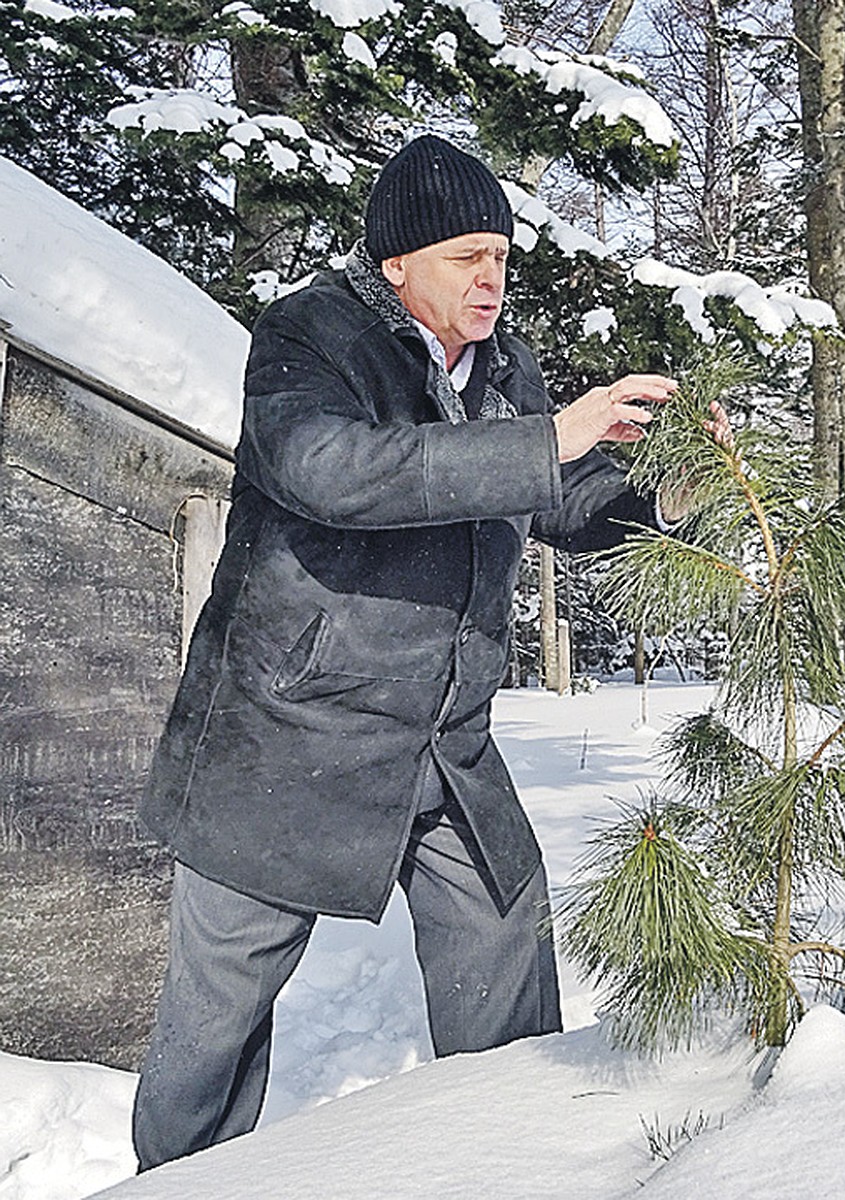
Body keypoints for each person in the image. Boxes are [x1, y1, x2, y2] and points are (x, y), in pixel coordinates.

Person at [131, 134, 718, 1171]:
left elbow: (563, 497)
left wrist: (667, 496)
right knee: (216, 1023)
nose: (491, 278)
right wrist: (550, 441)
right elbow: (332, 471)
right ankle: (176, 1185)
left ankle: (514, 1162)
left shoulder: (506, 367)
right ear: (398, 262)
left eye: (500, 254)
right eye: (465, 256)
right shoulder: (308, 337)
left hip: (444, 735)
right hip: (285, 732)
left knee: (501, 932)